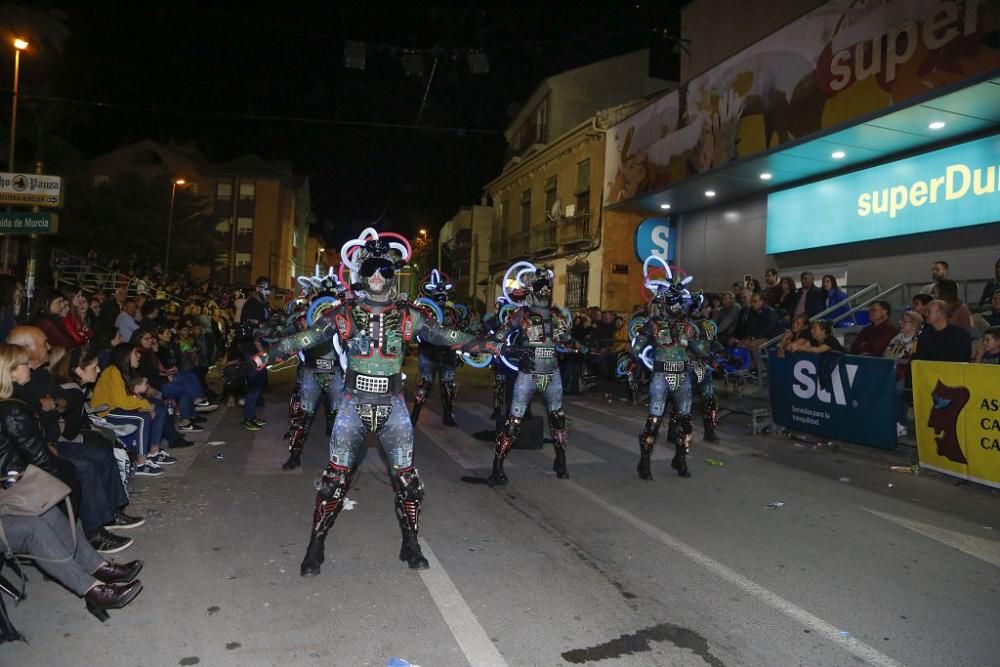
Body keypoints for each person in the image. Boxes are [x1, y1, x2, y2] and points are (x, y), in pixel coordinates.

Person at [229, 228, 491, 576]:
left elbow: (449, 337)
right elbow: (301, 340)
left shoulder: (409, 315)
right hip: (352, 403)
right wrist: (256, 362)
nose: (378, 276)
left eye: (384, 269)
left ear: (392, 273)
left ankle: (410, 544)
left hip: (393, 404)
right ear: (361, 275)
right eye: (370, 270)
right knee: (334, 480)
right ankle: (315, 546)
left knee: (408, 482)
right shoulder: (344, 312)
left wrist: (495, 347)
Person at [0, 342, 143, 620]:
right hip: (12, 488)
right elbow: (37, 449)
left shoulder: (15, 402)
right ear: (9, 372)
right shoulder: (11, 409)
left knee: (54, 510)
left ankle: (98, 568)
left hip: (12, 485)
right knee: (40, 519)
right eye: (23, 363)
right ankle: (93, 589)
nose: (30, 366)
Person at [484, 263, 584, 486]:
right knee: (513, 422)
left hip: (552, 374)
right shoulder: (521, 314)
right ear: (532, 289)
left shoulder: (555, 315)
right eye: (541, 287)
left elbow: (564, 338)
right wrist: (512, 350)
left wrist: (580, 346)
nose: (545, 291)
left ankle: (561, 461)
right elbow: (498, 340)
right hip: (528, 374)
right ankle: (497, 466)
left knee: (557, 418)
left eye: (548, 286)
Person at [633, 262, 696, 480]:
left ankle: (681, 459)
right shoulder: (654, 324)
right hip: (661, 375)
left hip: (683, 375)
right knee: (654, 421)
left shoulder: (687, 325)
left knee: (686, 421)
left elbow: (702, 348)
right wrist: (643, 336)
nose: (679, 304)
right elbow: (636, 348)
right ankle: (645, 462)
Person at [91, 343, 173, 476]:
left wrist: (143, 405)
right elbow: (121, 401)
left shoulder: (125, 372)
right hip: (105, 412)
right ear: (126, 356)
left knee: (159, 408)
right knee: (142, 418)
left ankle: (154, 452)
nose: (139, 356)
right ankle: (140, 462)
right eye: (136, 353)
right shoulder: (113, 371)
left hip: (118, 408)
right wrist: (145, 406)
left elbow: (130, 398)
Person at [410, 269, 465, 428]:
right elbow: (417, 330)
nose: (442, 297)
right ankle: (415, 415)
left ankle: (447, 415)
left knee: (447, 385)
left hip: (447, 353)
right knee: (425, 385)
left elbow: (458, 330)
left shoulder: (452, 311)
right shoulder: (426, 311)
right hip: (429, 353)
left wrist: (460, 352)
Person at [884, 311, 923, 436]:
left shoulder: (919, 340)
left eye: (905, 322)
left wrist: (901, 356)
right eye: (901, 321)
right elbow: (887, 354)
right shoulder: (897, 338)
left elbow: (914, 358)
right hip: (894, 371)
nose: (901, 324)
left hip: (910, 374)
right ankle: (886, 420)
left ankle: (901, 423)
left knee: (899, 389)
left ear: (914, 325)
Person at [735, 291, 780, 370]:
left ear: (762, 301)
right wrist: (748, 337)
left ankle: (761, 369)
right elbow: (749, 327)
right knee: (740, 344)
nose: (753, 304)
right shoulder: (752, 311)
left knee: (752, 345)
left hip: (771, 338)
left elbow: (767, 330)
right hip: (756, 337)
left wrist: (752, 339)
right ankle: (750, 367)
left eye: (755, 301)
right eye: (752, 301)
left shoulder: (770, 313)